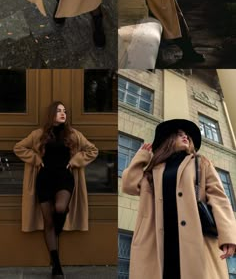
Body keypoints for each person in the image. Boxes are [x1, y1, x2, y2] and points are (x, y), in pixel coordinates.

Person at [122, 118, 236, 279]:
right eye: (179, 134)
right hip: (158, 242)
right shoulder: (152, 172)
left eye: (187, 136)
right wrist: (141, 157)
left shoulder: (200, 163)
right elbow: (129, 185)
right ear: (168, 141)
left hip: (195, 239)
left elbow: (219, 198)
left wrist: (228, 235)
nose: (185, 137)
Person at [14, 101, 98, 278]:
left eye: (65, 111)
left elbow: (92, 150)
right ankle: (56, 265)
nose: (63, 114)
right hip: (44, 179)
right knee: (48, 222)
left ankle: (55, 231)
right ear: (52, 113)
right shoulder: (39, 134)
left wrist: (75, 161)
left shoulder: (73, 134)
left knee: (60, 209)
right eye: (59, 111)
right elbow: (19, 147)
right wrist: (36, 160)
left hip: (64, 178)